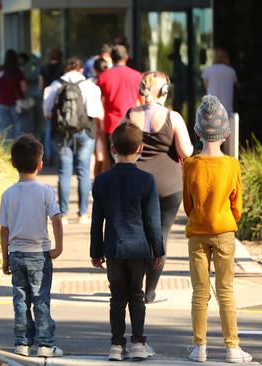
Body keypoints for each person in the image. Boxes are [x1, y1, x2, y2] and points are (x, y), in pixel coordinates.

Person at [183, 96, 252, 364]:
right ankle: (232, 347)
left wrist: (199, 216)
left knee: (200, 292)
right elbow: (238, 206)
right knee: (226, 291)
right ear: (226, 133)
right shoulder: (232, 165)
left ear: (198, 131)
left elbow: (188, 205)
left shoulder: (190, 164)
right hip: (224, 232)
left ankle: (199, 347)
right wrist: (226, 218)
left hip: (197, 233)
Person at [90, 123, 163, 362]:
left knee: (117, 297)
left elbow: (97, 220)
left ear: (112, 148)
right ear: (140, 148)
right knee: (137, 295)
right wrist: (158, 250)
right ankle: (139, 343)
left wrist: (96, 251)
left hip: (113, 248)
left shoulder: (101, 181)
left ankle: (116, 345)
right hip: (139, 247)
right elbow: (153, 220)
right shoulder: (147, 180)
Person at [120, 71, 193, 304]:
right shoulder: (173, 117)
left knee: (135, 234)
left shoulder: (131, 114)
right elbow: (186, 152)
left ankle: (133, 288)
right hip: (168, 186)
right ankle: (149, 292)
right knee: (160, 235)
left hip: (135, 182)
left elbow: (119, 145)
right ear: (164, 92)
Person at [0, 134, 64, 358]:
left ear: (13, 163)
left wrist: (5, 257)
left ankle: (22, 343)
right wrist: (58, 246)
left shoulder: (8, 194)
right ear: (40, 164)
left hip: (16, 254)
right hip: (39, 254)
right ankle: (45, 344)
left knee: (21, 300)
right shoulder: (45, 191)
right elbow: (55, 218)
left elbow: (4, 229)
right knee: (41, 299)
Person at [43, 57, 104, 225]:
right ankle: (83, 214)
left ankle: (63, 215)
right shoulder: (90, 86)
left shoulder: (55, 86)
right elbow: (96, 112)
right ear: (81, 70)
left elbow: (47, 113)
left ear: (65, 69)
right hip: (84, 133)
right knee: (84, 172)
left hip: (62, 134)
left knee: (64, 173)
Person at [98, 45, 142, 165]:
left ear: (111, 58)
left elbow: (99, 102)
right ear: (126, 57)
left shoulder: (103, 77)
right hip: (132, 124)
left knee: (114, 163)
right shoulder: (137, 76)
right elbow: (141, 102)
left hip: (111, 124)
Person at [0, 49, 31, 141]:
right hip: (16, 105)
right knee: (18, 129)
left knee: (4, 129)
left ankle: (5, 151)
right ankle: (17, 149)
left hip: (2, 103)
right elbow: (24, 88)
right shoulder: (18, 72)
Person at [39, 48, 64, 163]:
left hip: (48, 100)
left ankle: (48, 155)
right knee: (62, 128)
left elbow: (40, 85)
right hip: (61, 101)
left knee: (48, 129)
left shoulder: (43, 68)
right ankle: (61, 154)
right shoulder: (63, 68)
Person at [91, 57, 112, 175]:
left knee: (99, 156)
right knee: (105, 156)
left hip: (98, 122)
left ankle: (98, 183)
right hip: (106, 121)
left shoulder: (96, 83)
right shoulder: (107, 81)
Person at [202, 48, 237, 117]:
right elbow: (235, 85)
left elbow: (206, 87)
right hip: (227, 108)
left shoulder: (207, 70)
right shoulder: (231, 71)